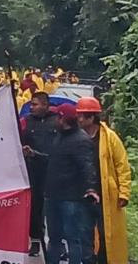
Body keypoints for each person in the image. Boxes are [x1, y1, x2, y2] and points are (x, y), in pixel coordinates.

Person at [77, 97, 131, 264]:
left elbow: (122, 165)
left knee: (106, 233)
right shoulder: (76, 137)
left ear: (91, 117)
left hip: (106, 194)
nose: (78, 119)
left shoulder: (109, 138)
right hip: (83, 194)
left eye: (81, 116)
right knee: (84, 234)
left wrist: (124, 193)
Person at [45, 104, 100, 264]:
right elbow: (55, 159)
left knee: (72, 238)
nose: (55, 119)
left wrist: (90, 188)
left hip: (70, 198)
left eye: (58, 117)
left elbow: (88, 167)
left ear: (63, 119)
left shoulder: (81, 140)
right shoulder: (59, 136)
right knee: (54, 238)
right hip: (53, 195)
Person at [20, 92, 60, 257]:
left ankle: (57, 244)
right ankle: (35, 241)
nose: (32, 107)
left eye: (35, 104)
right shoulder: (26, 122)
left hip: (54, 171)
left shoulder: (57, 121)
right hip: (33, 171)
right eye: (31, 104)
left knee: (55, 209)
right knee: (35, 208)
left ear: (45, 105)